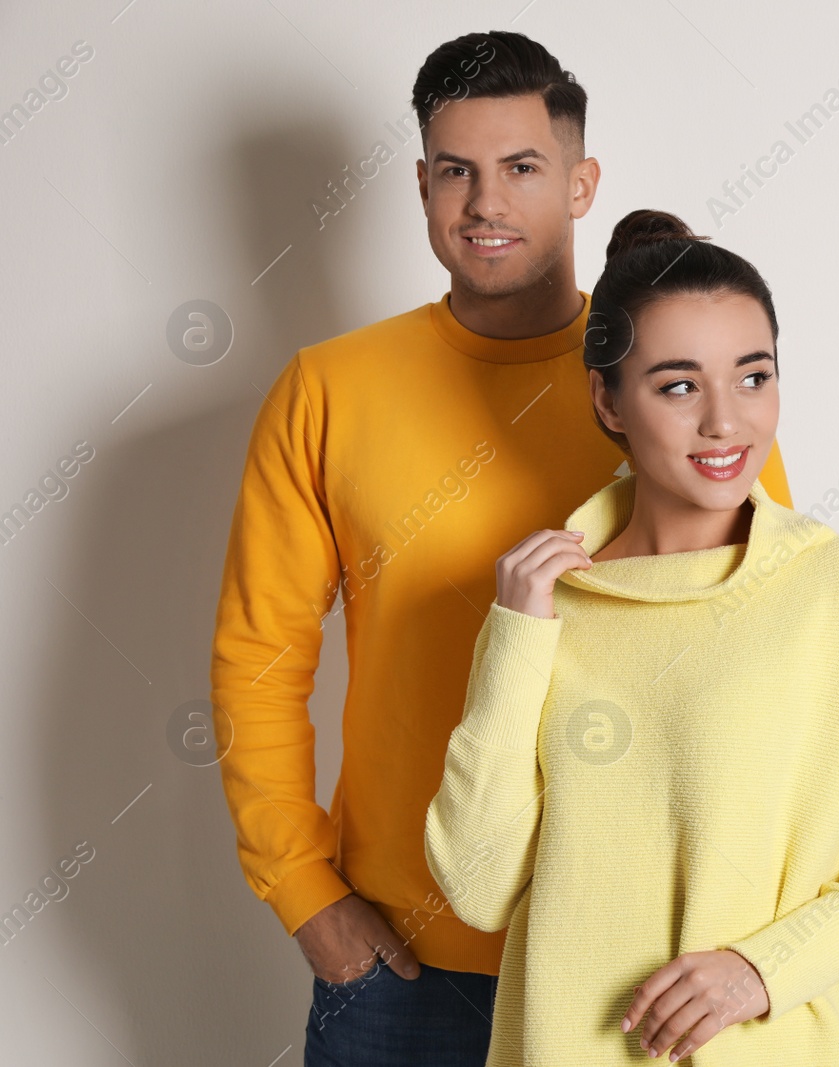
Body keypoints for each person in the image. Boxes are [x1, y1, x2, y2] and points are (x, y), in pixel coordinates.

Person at [207, 34, 795, 1067]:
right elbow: (258, 660)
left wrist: (752, 942)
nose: (485, 202)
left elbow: (770, 655)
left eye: (521, 167)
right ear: (422, 184)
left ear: (580, 183)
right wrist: (305, 896)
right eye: (455, 170)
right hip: (399, 964)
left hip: (635, 961)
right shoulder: (329, 390)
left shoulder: (676, 382)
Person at [423, 208, 839, 1066]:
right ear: (608, 399)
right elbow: (477, 885)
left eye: (753, 377)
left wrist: (760, 970)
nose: (727, 422)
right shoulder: (544, 611)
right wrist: (515, 642)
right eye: (679, 385)